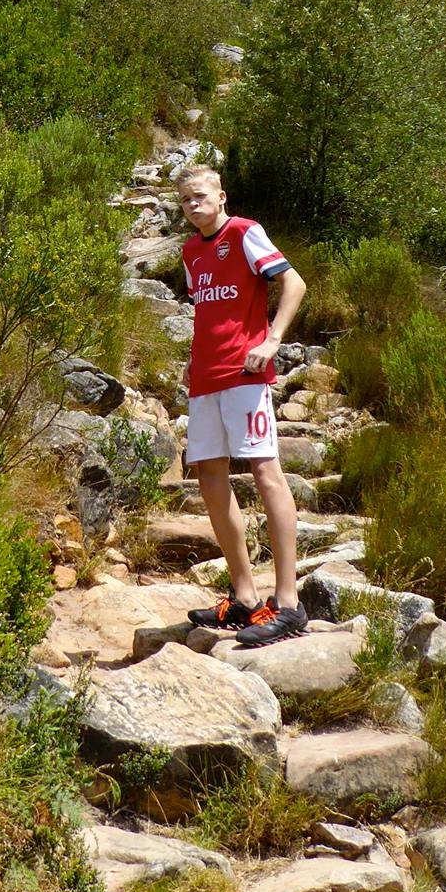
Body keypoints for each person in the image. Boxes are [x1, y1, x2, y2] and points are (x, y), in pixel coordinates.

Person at [173, 161, 308, 646]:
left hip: (246, 374)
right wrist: (194, 359)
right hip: (206, 377)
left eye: (201, 196)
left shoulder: (245, 232)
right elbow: (209, 311)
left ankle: (289, 603)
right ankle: (246, 596)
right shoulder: (191, 251)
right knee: (209, 476)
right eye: (186, 199)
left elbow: (294, 283)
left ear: (221, 196)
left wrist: (272, 340)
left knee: (265, 471)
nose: (194, 205)